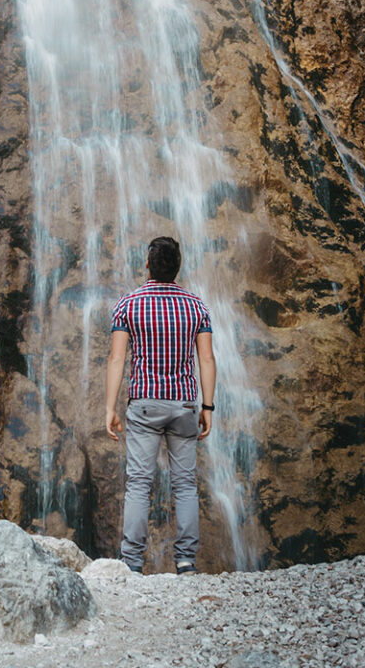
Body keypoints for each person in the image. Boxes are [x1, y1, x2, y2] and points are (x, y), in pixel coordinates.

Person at [105, 236, 216, 575]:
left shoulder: (129, 304)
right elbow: (207, 359)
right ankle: (185, 562)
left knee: (139, 483)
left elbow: (116, 358)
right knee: (184, 484)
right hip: (183, 405)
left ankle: (133, 564)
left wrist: (109, 407)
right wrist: (207, 407)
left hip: (144, 405)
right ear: (178, 266)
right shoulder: (196, 306)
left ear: (149, 265)